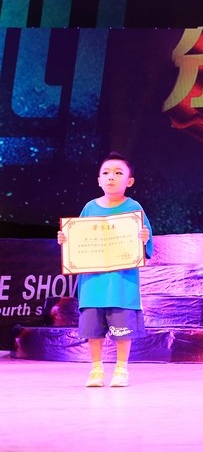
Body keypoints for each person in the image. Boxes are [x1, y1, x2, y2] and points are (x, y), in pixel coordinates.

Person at [57, 152, 153, 388]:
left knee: (123, 328)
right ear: (99, 179)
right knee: (93, 328)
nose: (112, 177)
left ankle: (121, 369)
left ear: (130, 181)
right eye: (106, 173)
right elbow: (78, 238)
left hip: (122, 282)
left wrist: (144, 238)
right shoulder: (90, 207)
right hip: (93, 282)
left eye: (119, 173)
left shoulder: (134, 208)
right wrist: (66, 239)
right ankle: (96, 369)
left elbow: (146, 242)